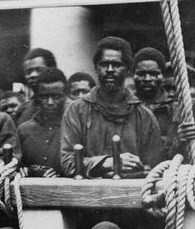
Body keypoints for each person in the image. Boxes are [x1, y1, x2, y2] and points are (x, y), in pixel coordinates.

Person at [61, 37, 163, 178]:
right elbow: (67, 162)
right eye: (104, 64)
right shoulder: (76, 111)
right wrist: (108, 163)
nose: (109, 70)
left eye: (116, 64)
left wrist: (130, 172)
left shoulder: (144, 116)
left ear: (127, 69)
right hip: (87, 191)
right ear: (96, 68)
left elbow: (155, 170)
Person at [17, 68, 69, 173]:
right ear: (36, 97)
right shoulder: (24, 130)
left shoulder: (74, 128)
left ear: (65, 96)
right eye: (44, 97)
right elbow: (16, 166)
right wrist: (29, 171)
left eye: (56, 97)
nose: (50, 102)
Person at [131, 48, 176, 144]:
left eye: (154, 74)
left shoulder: (175, 109)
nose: (147, 79)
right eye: (141, 74)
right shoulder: (124, 105)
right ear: (133, 75)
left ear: (162, 76)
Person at [15, 47, 57, 124]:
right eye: (28, 72)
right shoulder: (23, 110)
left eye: (39, 70)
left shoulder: (68, 106)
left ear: (52, 70)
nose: (32, 75)